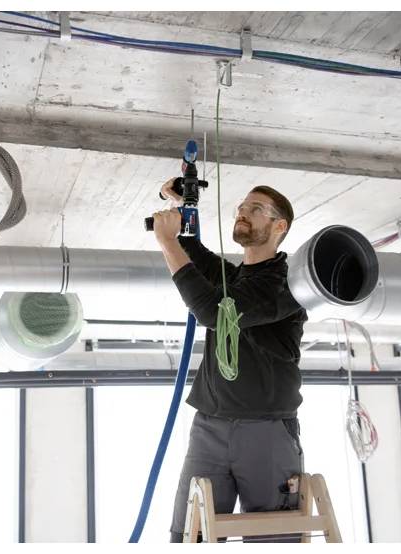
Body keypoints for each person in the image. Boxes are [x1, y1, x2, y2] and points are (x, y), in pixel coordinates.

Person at [151, 180, 307, 543]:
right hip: (209, 428)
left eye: (255, 209)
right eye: (242, 207)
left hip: (266, 430)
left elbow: (213, 313)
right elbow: (192, 251)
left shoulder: (285, 285)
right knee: (191, 536)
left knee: (273, 540)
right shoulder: (236, 279)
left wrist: (167, 243)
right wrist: (184, 204)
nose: (242, 212)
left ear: (279, 226)